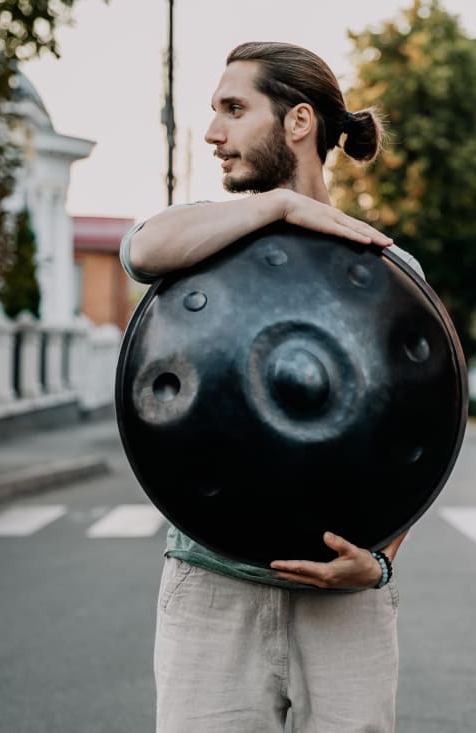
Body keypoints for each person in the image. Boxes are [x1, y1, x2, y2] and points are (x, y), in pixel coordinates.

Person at [119, 41, 418, 733]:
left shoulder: (386, 265)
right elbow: (139, 249)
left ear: (299, 121)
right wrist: (279, 208)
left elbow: (416, 437)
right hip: (211, 585)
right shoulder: (207, 239)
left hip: (343, 602)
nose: (212, 132)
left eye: (233, 108)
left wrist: (377, 562)